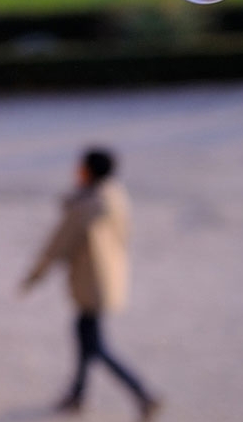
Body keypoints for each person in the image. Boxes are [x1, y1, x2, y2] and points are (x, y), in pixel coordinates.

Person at [20, 147, 161, 420]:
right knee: (86, 339)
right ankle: (77, 396)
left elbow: (57, 245)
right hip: (107, 279)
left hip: (92, 283)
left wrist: (34, 277)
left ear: (89, 171)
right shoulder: (114, 195)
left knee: (94, 345)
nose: (76, 172)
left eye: (80, 167)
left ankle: (143, 394)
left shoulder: (87, 205)